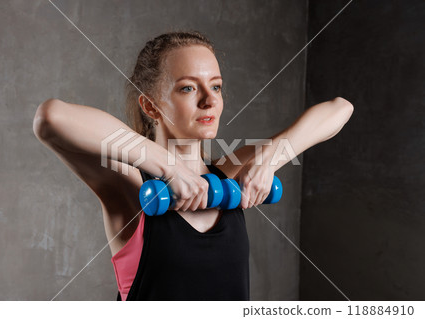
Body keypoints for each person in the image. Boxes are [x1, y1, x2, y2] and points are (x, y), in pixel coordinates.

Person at [32, 31, 354, 301]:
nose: (209, 100)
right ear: (150, 106)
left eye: (215, 86)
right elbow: (51, 117)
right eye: (188, 88)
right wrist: (169, 168)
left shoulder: (228, 172)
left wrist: (270, 159)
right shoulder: (130, 184)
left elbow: (340, 109)